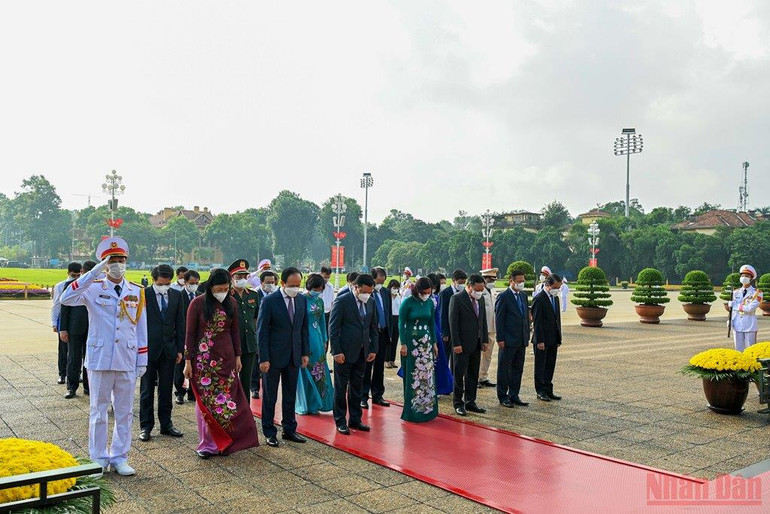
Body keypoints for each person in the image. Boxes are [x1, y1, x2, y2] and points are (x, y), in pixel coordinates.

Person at [60, 237, 147, 476]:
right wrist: (94, 273)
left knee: (124, 411)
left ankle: (119, 456)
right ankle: (98, 457)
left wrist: (142, 359)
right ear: (104, 264)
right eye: (112, 260)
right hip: (100, 357)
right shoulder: (94, 287)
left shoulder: (136, 291)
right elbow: (66, 298)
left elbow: (141, 327)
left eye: (121, 260)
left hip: (127, 358)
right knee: (98, 410)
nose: (118, 264)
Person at [183, 268, 259, 458]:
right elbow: (190, 335)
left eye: (226, 288)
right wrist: (188, 361)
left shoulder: (231, 302)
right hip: (204, 361)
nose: (223, 292)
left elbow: (235, 333)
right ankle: (207, 444)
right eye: (219, 288)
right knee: (206, 401)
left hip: (227, 358)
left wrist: (238, 356)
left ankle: (225, 440)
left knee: (226, 401)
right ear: (210, 287)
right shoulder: (197, 304)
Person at [257, 267, 310, 447]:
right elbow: (262, 332)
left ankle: (289, 429)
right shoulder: (270, 301)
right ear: (282, 283)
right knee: (270, 396)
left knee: (290, 394)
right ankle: (269, 432)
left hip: (294, 356)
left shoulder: (301, 299)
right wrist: (263, 358)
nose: (295, 288)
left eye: (298, 285)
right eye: (292, 285)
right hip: (272, 357)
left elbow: (304, 328)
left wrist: (305, 352)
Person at [139, 265, 186, 442]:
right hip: (148, 349)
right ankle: (146, 426)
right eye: (160, 284)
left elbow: (180, 324)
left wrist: (180, 349)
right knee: (146, 389)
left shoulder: (176, 295)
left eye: (167, 284)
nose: (164, 287)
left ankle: (166, 424)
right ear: (153, 280)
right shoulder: (144, 295)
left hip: (169, 349)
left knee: (166, 389)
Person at [329, 274, 378, 435]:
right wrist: (336, 351)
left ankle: (356, 419)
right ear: (356, 287)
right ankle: (340, 420)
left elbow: (373, 327)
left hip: (363, 352)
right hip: (344, 352)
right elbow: (334, 328)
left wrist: (373, 349)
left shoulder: (370, 301)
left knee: (357, 387)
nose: (367, 295)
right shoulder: (342, 301)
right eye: (364, 291)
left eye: (370, 292)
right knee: (341, 388)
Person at [398, 277, 440, 422]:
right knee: (413, 375)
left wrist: (434, 343)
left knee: (427, 375)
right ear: (418, 290)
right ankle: (412, 410)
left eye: (429, 292)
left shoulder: (430, 303)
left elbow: (431, 323)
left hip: (426, 344)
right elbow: (401, 323)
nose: (427, 294)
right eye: (424, 292)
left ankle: (427, 408)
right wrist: (403, 343)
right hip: (412, 343)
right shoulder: (408, 303)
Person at [448, 274, 488, 416]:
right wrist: (456, 343)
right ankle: (458, 403)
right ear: (469, 287)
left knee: (472, 374)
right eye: (477, 289)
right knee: (459, 374)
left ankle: (470, 401)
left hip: (476, 343)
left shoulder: (481, 299)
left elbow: (482, 321)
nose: (480, 292)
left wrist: (484, 340)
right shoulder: (457, 299)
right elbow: (453, 323)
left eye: (482, 289)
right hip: (462, 344)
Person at [296, 273, 334, 414]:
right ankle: (305, 404)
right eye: (316, 288)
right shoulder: (300, 299)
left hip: (317, 339)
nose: (317, 291)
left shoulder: (320, 302)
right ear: (309, 286)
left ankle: (317, 403)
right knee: (305, 370)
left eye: (320, 289)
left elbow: (322, 322)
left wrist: (324, 339)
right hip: (304, 338)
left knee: (319, 370)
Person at [495, 270, 531, 408]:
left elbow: (525, 317)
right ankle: (503, 395)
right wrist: (501, 338)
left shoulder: (523, 295)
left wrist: (526, 335)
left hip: (521, 339)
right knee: (504, 368)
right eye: (519, 281)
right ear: (511, 281)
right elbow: (499, 319)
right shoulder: (504, 296)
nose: (521, 283)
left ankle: (514, 394)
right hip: (508, 339)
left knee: (518, 368)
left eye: (523, 281)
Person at [60, 261, 93, 398]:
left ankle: (88, 386)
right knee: (74, 358)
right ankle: (72, 387)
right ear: (82, 272)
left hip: (93, 329)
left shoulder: (99, 286)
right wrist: (63, 329)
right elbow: (64, 309)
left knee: (90, 358)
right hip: (74, 327)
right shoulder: (71, 285)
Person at [228, 259, 260, 402]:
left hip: (249, 343)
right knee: (230, 379)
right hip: (231, 345)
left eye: (244, 276)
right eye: (238, 277)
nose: (242, 279)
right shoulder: (227, 296)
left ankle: (245, 411)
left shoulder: (253, 295)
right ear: (231, 278)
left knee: (246, 380)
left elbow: (257, 318)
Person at [362, 267, 391, 409]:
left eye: (383, 281)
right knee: (367, 366)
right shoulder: (366, 294)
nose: (380, 284)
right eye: (378, 281)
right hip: (369, 335)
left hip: (383, 333)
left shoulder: (385, 292)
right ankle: (363, 396)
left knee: (380, 367)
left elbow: (388, 312)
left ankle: (378, 394)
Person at [532, 274, 563, 402]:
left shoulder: (555, 298)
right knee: (541, 366)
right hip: (542, 339)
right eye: (555, 287)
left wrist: (558, 337)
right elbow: (537, 321)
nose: (557, 290)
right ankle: (540, 391)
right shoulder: (539, 299)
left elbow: (557, 319)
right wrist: (539, 340)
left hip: (553, 338)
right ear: (548, 285)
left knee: (550, 364)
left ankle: (548, 390)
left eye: (559, 287)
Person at [51, 262, 82, 384]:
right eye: (73, 275)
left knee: (77, 351)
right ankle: (62, 374)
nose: (75, 278)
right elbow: (56, 305)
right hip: (64, 320)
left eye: (78, 275)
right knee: (64, 350)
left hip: (77, 321)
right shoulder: (60, 286)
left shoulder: (82, 285)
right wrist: (54, 322)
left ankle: (76, 373)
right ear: (68, 273)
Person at [250, 270, 278, 399]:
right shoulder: (255, 295)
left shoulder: (277, 294)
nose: (270, 284)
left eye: (272, 282)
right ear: (261, 282)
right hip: (259, 332)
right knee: (257, 361)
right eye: (268, 282)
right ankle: (254, 387)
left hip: (274, 333)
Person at [175, 269, 201, 404]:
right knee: (180, 366)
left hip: (197, 337)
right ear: (185, 282)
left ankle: (193, 392)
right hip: (182, 335)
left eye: (196, 283)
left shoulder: (201, 296)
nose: (194, 285)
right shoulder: (178, 296)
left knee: (196, 365)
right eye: (191, 283)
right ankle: (179, 392)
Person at [731, 264, 763, 351]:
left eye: (747, 276)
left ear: (751, 278)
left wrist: (735, 306)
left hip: (750, 324)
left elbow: (749, 309)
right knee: (738, 350)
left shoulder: (757, 293)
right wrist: (730, 320)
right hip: (737, 324)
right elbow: (732, 311)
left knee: (750, 350)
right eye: (742, 275)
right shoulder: (735, 292)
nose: (744, 277)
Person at [439, 269, 467, 365]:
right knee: (446, 356)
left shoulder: (464, 293)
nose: (462, 285)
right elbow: (442, 313)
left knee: (458, 357)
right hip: (449, 330)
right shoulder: (445, 293)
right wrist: (445, 332)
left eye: (464, 283)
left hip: (460, 330)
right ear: (454, 280)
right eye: (460, 282)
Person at [478, 268, 499, 388]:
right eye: (491, 279)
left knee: (488, 354)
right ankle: (474, 378)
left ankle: (483, 377)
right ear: (485, 279)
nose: (492, 282)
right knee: (480, 354)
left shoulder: (492, 291)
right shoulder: (480, 292)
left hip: (492, 328)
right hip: (482, 329)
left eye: (494, 279)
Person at [386, 279, 401, 368]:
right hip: (390, 318)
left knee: (395, 340)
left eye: (397, 288)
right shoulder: (387, 296)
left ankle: (392, 360)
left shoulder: (399, 297)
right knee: (389, 340)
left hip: (397, 318)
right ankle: (386, 360)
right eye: (394, 288)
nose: (396, 289)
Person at [319, 266, 335, 330]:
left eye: (328, 277)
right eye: (325, 277)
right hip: (317, 313)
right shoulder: (315, 285)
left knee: (326, 332)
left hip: (327, 313)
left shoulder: (330, 286)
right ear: (321, 274)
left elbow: (332, 301)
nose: (326, 279)